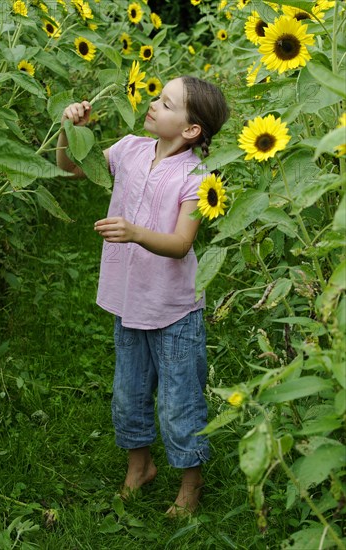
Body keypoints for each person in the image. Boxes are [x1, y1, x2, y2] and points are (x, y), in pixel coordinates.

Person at [57, 75, 230, 516]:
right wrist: (69, 130)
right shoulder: (130, 148)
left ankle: (190, 486)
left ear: (191, 129)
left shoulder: (197, 175)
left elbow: (181, 243)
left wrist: (134, 233)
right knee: (129, 394)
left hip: (173, 308)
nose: (153, 104)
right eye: (158, 97)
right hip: (129, 299)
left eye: (166, 103)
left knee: (180, 402)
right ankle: (140, 468)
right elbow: (71, 166)